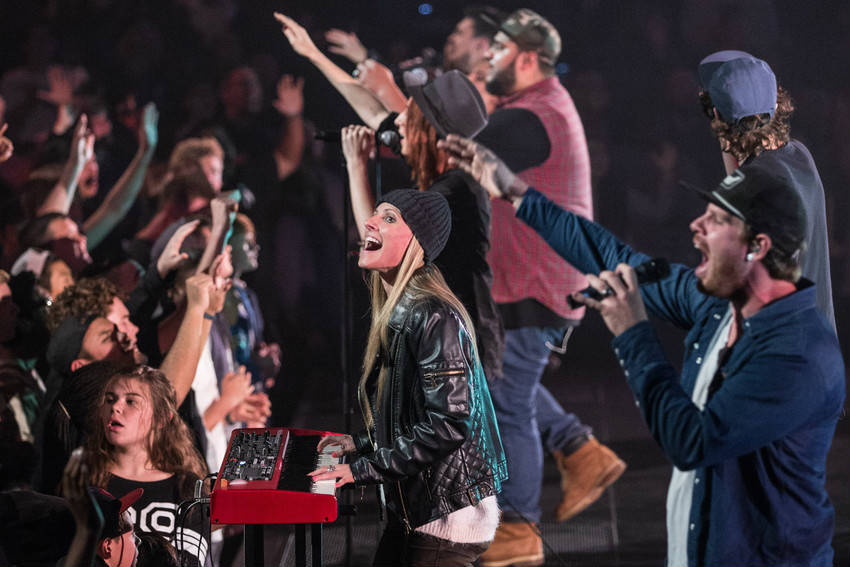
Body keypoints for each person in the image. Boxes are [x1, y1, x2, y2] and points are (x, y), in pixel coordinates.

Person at [440, 134, 845, 567]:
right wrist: (513, 190)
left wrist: (633, 332)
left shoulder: (798, 355)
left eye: (715, 220)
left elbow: (692, 441)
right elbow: (612, 256)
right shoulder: (718, 307)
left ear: (757, 246)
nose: (695, 227)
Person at [469, 9, 624, 564]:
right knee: (498, 379)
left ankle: (519, 528)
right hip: (532, 277)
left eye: (498, 49)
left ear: (527, 59)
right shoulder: (531, 108)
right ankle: (580, 449)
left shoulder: (533, 117)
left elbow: (460, 141)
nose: (489, 56)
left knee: (507, 399)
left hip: (543, 279)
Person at [309, 189, 507, 567]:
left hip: (446, 519)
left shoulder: (433, 314)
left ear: (418, 241)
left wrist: (359, 470)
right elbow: (411, 418)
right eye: (376, 214)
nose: (370, 221)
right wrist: (358, 443)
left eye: (389, 218)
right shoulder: (404, 308)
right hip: (418, 512)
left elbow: (448, 423)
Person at [341, 69, 504, 385]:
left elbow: (380, 245)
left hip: (458, 345)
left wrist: (355, 166)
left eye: (408, 116)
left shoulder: (454, 190)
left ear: (429, 131)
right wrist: (312, 52)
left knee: (448, 433)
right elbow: (375, 114)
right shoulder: (451, 181)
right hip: (453, 336)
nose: (398, 122)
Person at [696, 50, 835, 328]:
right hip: (815, 341)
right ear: (776, 103)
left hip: (780, 350)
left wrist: (724, 135)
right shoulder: (800, 157)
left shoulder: (758, 187)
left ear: (716, 115)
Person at [83, 365, 210, 566]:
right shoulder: (86, 478)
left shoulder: (186, 487)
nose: (115, 407)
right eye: (109, 399)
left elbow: (192, 561)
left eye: (131, 401)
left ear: (161, 419)